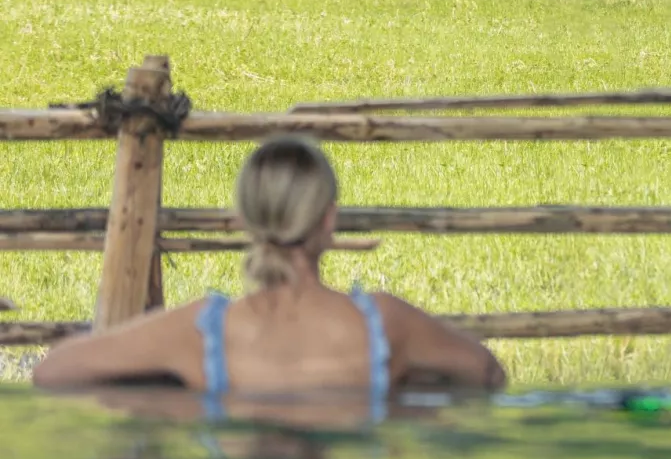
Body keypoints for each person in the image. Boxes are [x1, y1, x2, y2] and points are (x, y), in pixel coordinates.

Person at [33, 135, 506, 398]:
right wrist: (402, 402)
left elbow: (54, 372)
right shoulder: (384, 327)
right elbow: (486, 375)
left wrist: (174, 408)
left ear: (245, 221)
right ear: (328, 220)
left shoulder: (201, 332)